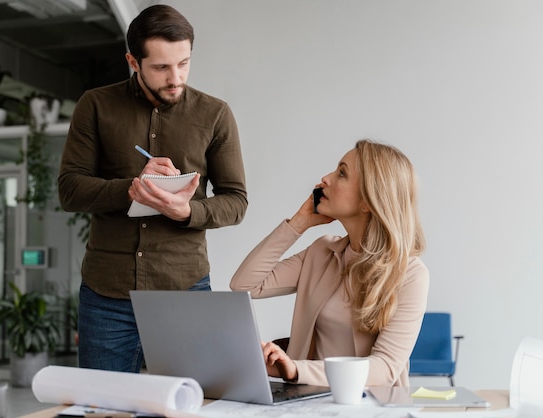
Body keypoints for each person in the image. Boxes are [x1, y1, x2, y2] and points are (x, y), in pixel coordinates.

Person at [58, 4, 248, 373]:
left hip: (185, 288)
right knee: (103, 408)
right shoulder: (95, 106)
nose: (175, 78)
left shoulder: (215, 114)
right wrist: (131, 188)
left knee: (188, 405)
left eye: (183, 63)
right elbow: (70, 189)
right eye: (161, 67)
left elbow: (236, 201)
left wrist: (188, 211)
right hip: (106, 294)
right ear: (133, 61)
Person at [230, 139, 428, 387]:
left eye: (342, 173)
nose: (326, 178)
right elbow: (245, 284)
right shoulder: (322, 251)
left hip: (372, 407)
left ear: (368, 201)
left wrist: (295, 370)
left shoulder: (410, 274)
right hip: (308, 401)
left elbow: (385, 367)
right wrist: (299, 223)